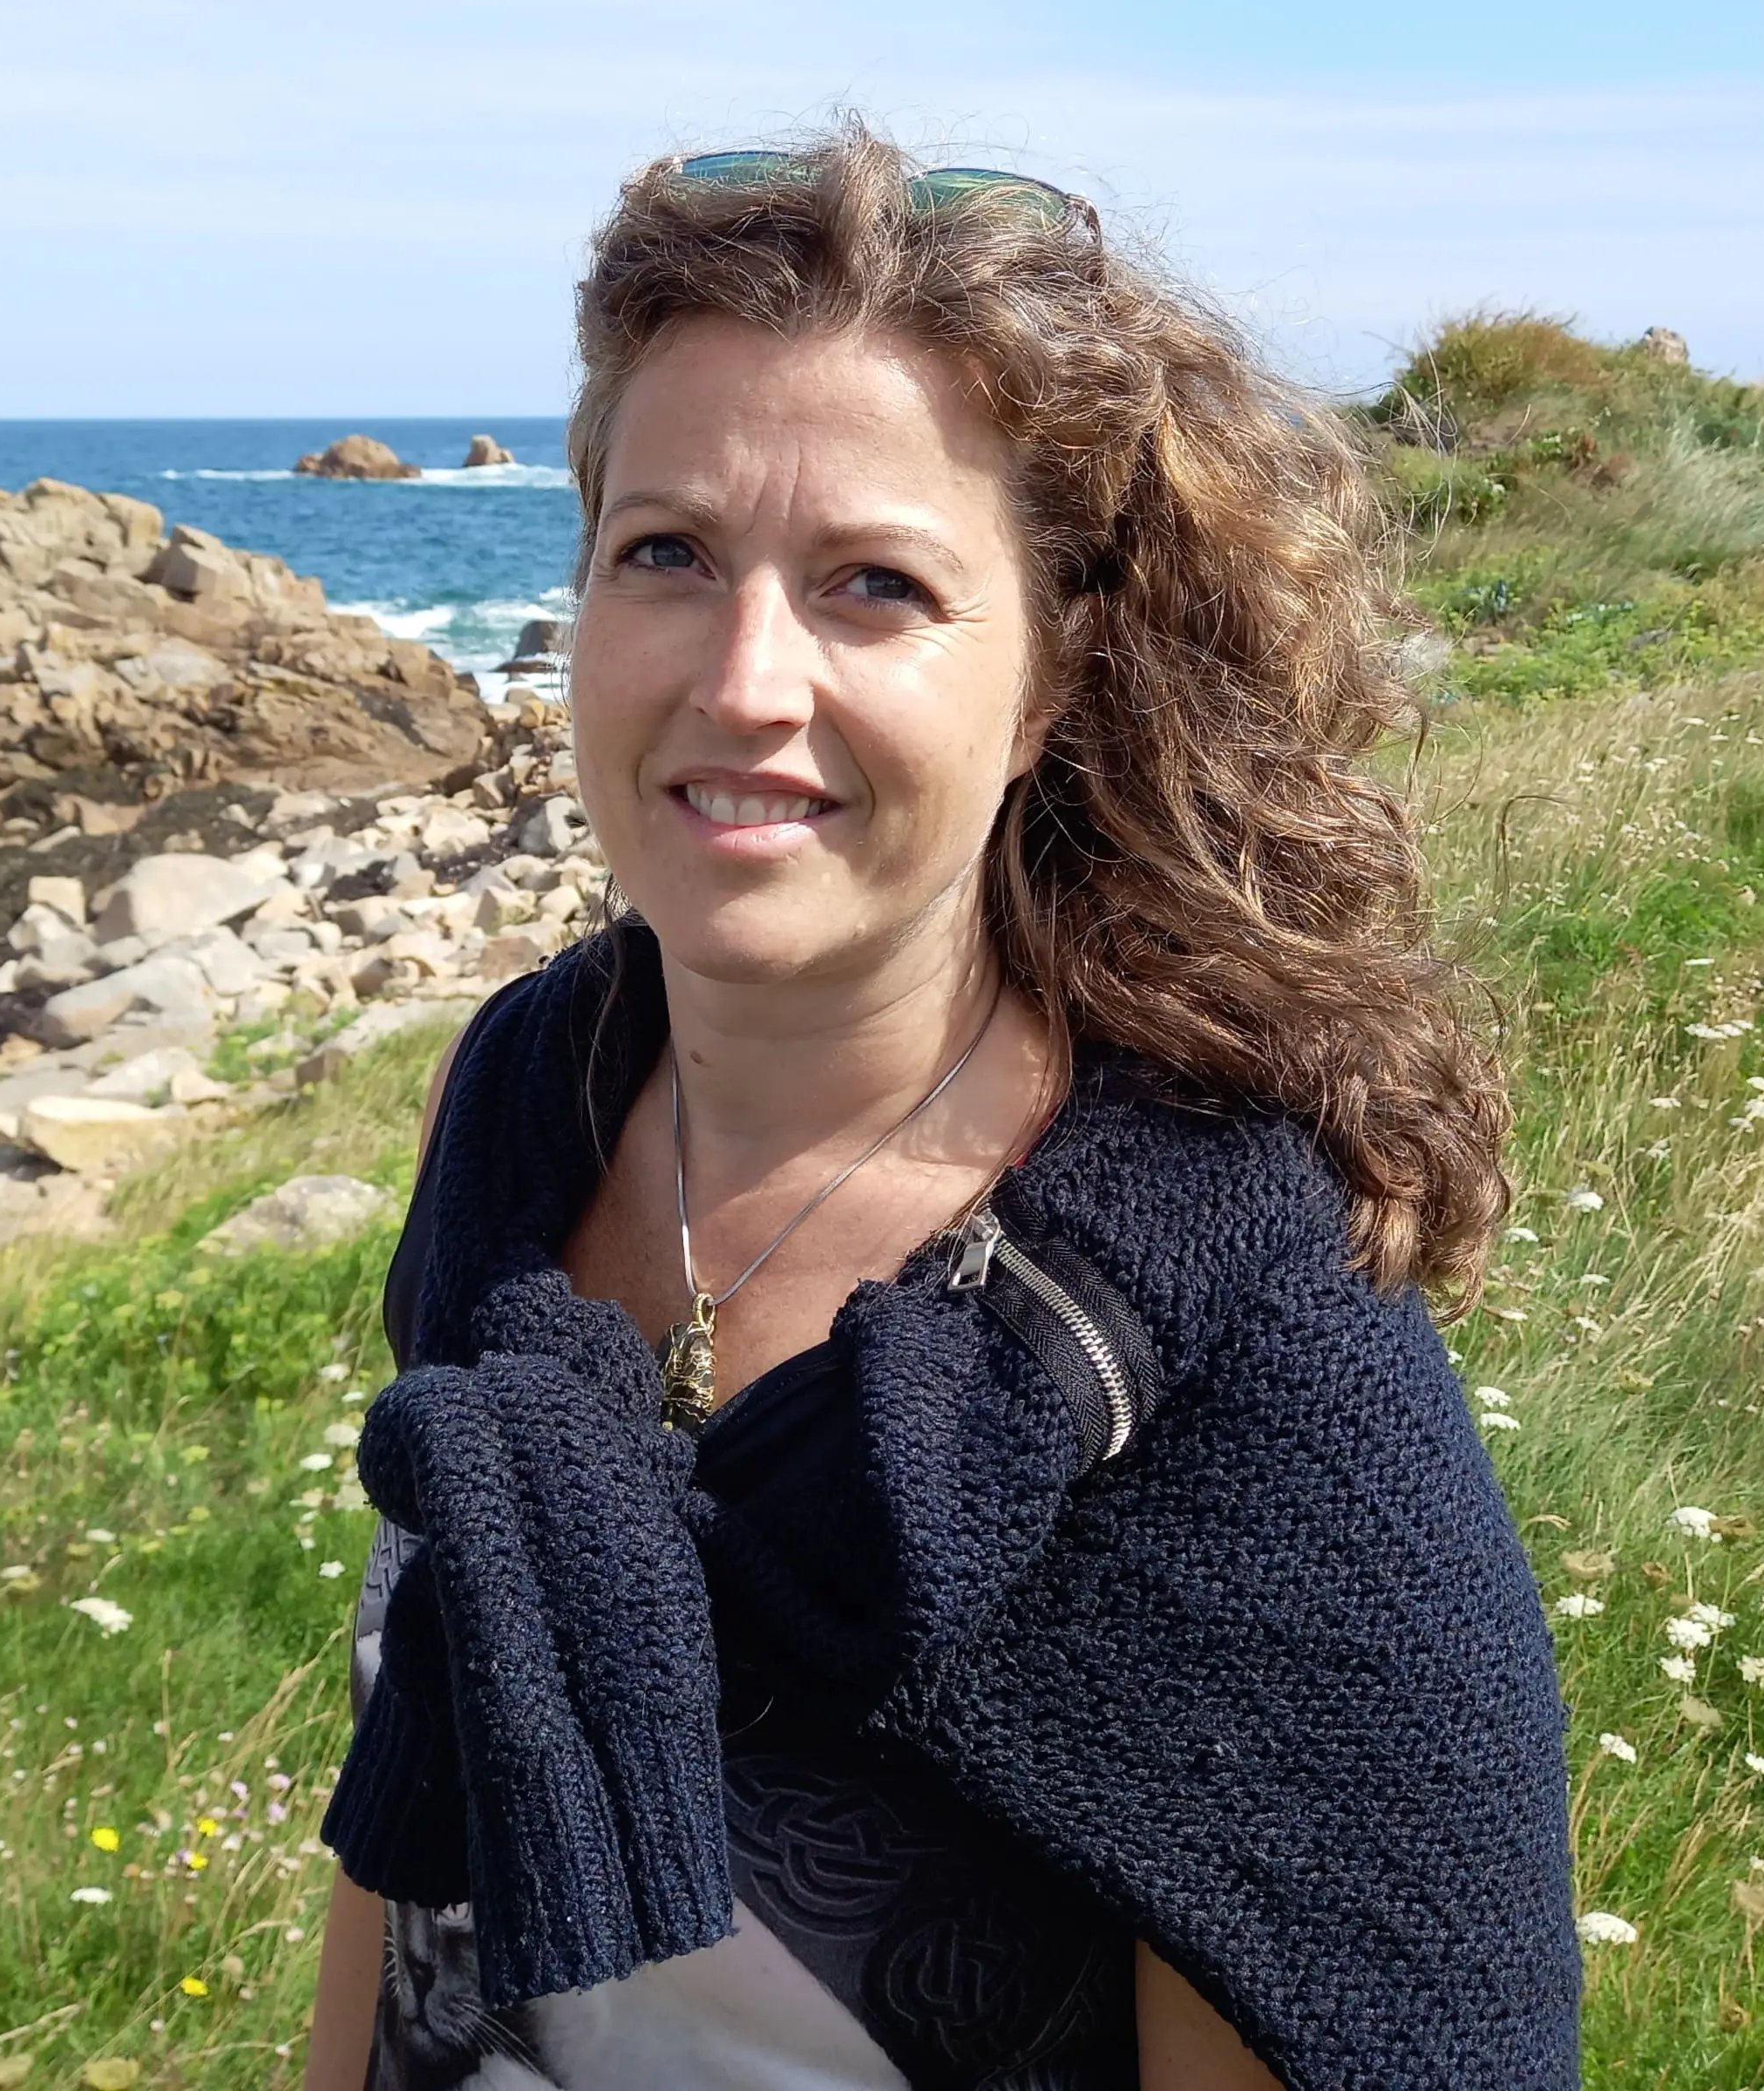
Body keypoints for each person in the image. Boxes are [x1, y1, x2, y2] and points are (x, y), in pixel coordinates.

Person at [302, 127, 1577, 2091]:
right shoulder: (527, 1106)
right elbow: (419, 1807)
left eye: (872, 588)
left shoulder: (1234, 1363)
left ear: (1055, 681)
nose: (744, 681)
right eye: (668, 554)